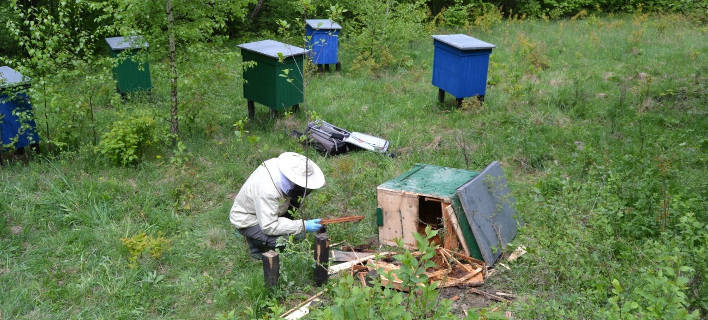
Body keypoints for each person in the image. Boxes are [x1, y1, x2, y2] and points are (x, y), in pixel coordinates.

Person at [229, 152, 326, 259]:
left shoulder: (278, 167)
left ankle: (266, 234)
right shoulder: (268, 191)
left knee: (294, 202)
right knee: (285, 241)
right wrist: (303, 225)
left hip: (262, 208)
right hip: (248, 219)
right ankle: (253, 244)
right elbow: (269, 226)